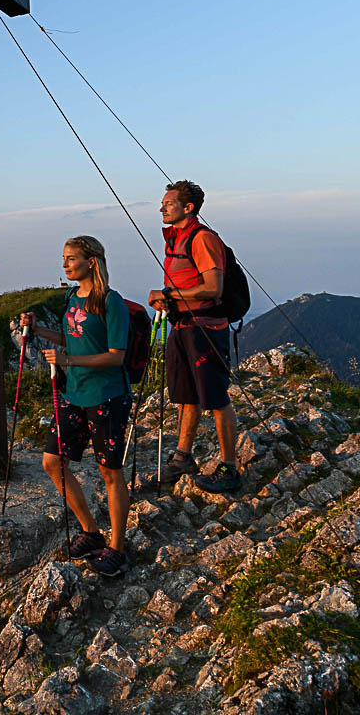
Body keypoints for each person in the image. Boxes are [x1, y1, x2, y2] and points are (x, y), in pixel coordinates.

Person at [19, 235, 131, 577]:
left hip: (107, 395)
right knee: (52, 462)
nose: (65, 265)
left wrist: (68, 360)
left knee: (110, 472)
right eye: (64, 258)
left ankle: (117, 549)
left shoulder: (112, 303)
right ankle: (92, 533)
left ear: (92, 261)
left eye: (71, 259)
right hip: (75, 394)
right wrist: (39, 331)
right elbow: (72, 336)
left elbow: (117, 356)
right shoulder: (72, 297)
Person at [148, 180, 242, 493]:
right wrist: (170, 299)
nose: (162, 207)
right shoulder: (177, 239)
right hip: (183, 325)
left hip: (205, 328)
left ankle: (230, 468)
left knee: (215, 398)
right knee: (186, 394)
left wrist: (169, 294)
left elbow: (212, 288)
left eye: (168, 203)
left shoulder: (201, 239)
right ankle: (183, 456)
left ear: (187, 208)